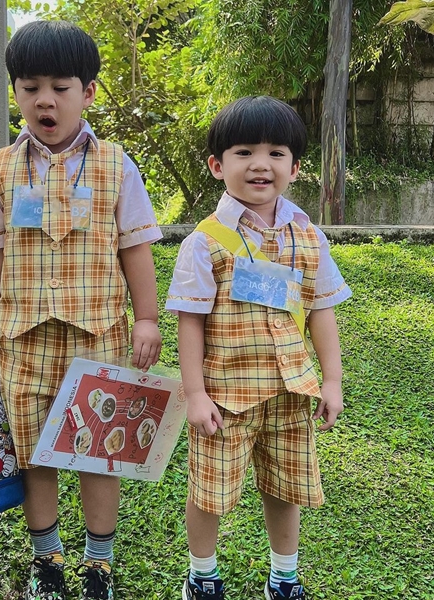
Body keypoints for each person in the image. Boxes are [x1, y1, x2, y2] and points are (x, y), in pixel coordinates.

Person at [0, 20, 163, 600]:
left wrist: (146, 318)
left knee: (99, 455)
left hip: (98, 337)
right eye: (30, 86)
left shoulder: (116, 165)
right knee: (34, 457)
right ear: (17, 92)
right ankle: (46, 560)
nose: (45, 99)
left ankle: (99, 565)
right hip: (22, 342)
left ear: (88, 92)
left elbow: (135, 249)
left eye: (60, 86)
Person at [166, 95, 351, 600]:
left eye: (276, 152)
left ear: (294, 165)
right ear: (216, 165)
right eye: (244, 151)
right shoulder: (205, 242)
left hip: (292, 394)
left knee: (285, 486)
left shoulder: (308, 237)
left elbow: (322, 311)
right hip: (225, 398)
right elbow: (190, 322)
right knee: (209, 492)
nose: (260, 165)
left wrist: (331, 381)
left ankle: (284, 577)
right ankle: (202, 576)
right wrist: (196, 394)